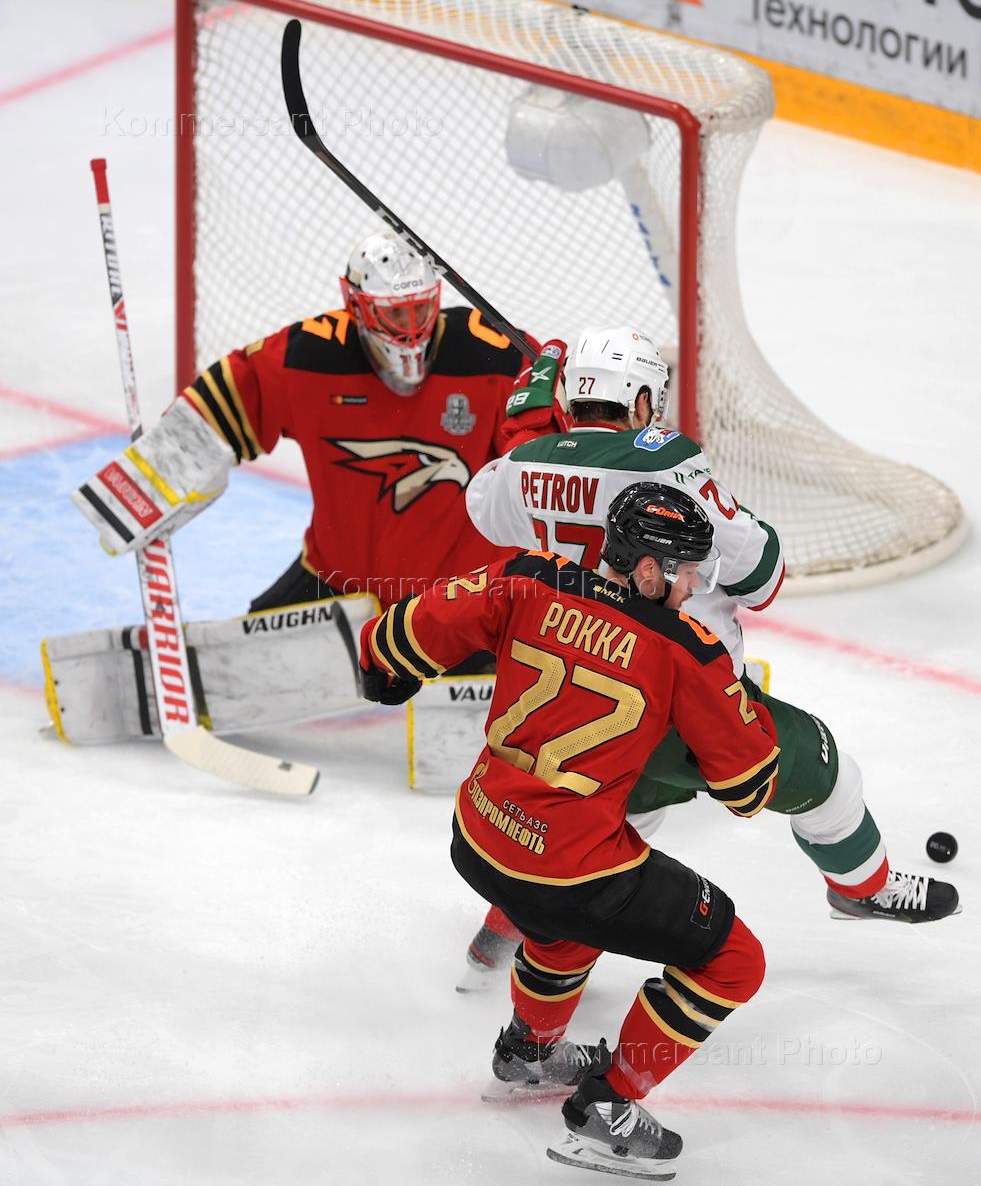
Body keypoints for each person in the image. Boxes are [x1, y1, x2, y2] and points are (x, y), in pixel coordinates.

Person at [458, 325, 959, 986]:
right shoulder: (665, 462)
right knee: (823, 769)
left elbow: (484, 507)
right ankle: (862, 888)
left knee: (612, 821)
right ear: (640, 401)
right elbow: (762, 576)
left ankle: (500, 940)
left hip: (573, 698)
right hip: (673, 696)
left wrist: (532, 435)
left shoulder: (522, 465)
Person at [356, 484, 777, 1177]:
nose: (693, 587)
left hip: (480, 834)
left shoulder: (529, 576)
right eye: (687, 572)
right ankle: (606, 1108)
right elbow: (748, 787)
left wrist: (385, 669)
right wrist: (731, 710)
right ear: (648, 569)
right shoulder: (685, 647)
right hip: (569, 869)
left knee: (562, 921)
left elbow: (402, 633)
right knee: (733, 959)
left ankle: (528, 1053)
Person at [71, 228, 565, 624]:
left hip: (466, 590)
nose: (411, 328)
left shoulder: (494, 354)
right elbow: (229, 402)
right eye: (395, 314)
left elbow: (550, 443)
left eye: (420, 309)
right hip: (338, 577)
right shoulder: (311, 356)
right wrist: (148, 484)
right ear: (355, 304)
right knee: (247, 660)